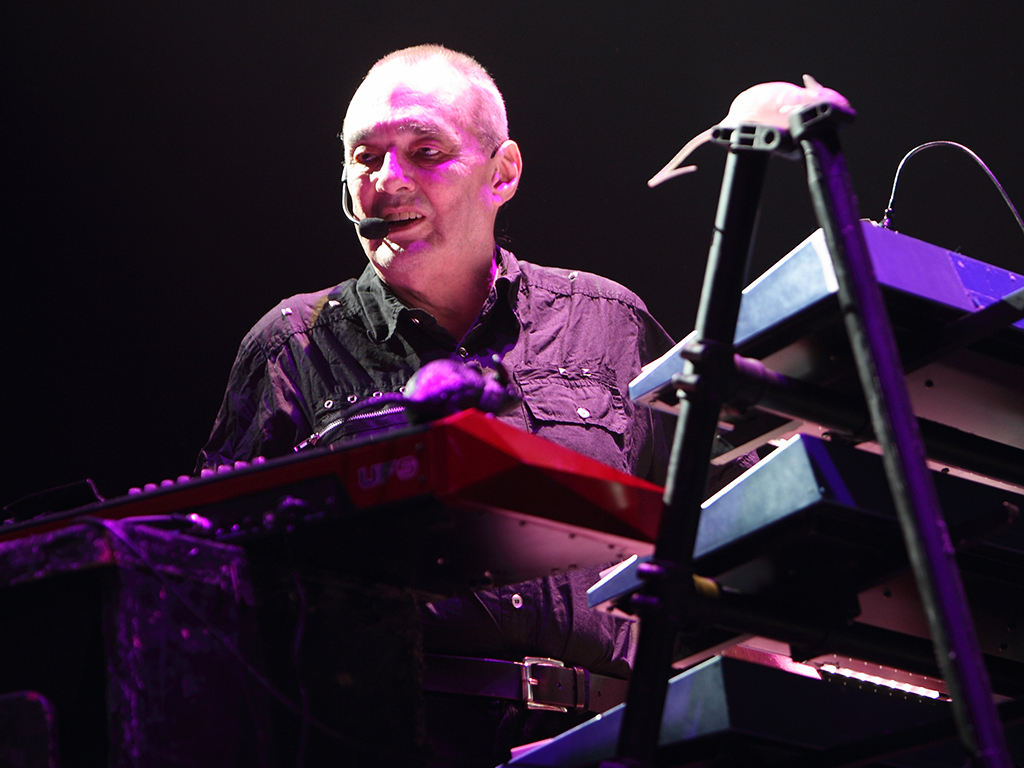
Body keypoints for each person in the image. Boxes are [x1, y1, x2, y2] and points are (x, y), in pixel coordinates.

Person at [198, 44, 745, 767]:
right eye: (366, 158)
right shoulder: (290, 347)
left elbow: (725, 527)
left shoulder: (610, 321)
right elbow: (207, 589)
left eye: (426, 151)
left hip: (621, 739)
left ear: (503, 172)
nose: (388, 181)